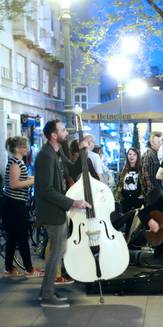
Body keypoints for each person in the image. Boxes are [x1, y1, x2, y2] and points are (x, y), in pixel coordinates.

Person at [35, 120, 91, 308]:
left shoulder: (57, 151)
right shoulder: (46, 156)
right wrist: (73, 202)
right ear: (53, 135)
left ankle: (46, 291)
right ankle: (48, 296)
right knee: (56, 253)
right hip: (52, 212)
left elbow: (73, 170)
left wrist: (83, 151)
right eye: (63, 130)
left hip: (58, 209)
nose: (66, 132)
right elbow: (46, 190)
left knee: (59, 251)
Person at [2, 136, 43, 278]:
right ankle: (29, 269)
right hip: (14, 204)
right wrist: (33, 181)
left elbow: (19, 180)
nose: (27, 149)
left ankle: (8, 268)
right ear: (18, 148)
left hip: (13, 203)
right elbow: (14, 184)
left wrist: (32, 178)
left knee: (13, 237)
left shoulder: (17, 161)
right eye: (25, 146)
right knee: (22, 236)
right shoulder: (15, 162)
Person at [114, 147, 152, 213]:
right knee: (126, 220)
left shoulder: (142, 169)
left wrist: (144, 195)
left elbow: (149, 185)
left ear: (137, 156)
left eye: (134, 154)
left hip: (137, 201)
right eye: (130, 154)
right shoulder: (124, 168)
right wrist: (118, 196)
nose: (132, 156)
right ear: (127, 156)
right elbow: (120, 183)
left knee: (135, 221)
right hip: (125, 200)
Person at [141, 131, 163, 203]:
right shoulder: (148, 155)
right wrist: (151, 191)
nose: (160, 144)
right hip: (152, 193)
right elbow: (144, 174)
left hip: (155, 191)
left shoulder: (153, 154)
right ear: (151, 143)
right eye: (158, 142)